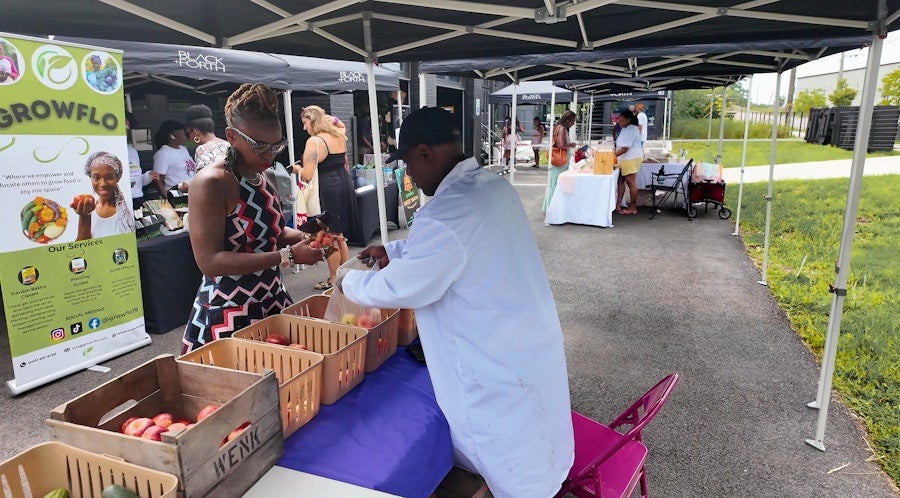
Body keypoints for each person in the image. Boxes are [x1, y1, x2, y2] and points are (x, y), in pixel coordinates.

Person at [337, 107, 574, 498]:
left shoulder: (447, 213)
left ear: (426, 153)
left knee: (506, 465)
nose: (408, 174)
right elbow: (450, 250)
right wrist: (394, 251)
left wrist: (350, 281)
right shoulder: (490, 186)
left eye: (409, 163)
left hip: (493, 363)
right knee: (536, 442)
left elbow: (403, 288)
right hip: (525, 341)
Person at [181, 83, 327, 353]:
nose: (269, 155)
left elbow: (276, 234)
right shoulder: (212, 182)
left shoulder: (266, 176)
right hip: (227, 312)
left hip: (273, 300)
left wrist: (310, 236)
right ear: (231, 136)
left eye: (276, 146)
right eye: (259, 146)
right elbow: (209, 262)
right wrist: (288, 257)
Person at [298, 105, 353, 291]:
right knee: (339, 236)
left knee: (328, 236)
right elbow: (340, 122)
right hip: (343, 183)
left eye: (305, 123)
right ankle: (344, 275)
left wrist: (296, 168)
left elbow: (307, 173)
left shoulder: (314, 141)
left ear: (313, 121)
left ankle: (332, 278)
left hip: (327, 189)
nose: (304, 128)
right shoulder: (338, 135)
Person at [74, 152, 135, 240]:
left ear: (117, 178)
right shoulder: (85, 210)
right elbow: (81, 249)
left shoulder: (129, 210)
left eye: (109, 177)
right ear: (90, 177)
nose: (102, 184)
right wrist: (85, 217)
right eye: (96, 177)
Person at [542, 110, 577, 212]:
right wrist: (571, 145)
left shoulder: (558, 127)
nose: (573, 123)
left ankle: (552, 206)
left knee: (554, 183)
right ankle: (554, 207)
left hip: (560, 161)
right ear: (568, 120)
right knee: (558, 183)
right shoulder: (562, 129)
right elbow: (561, 145)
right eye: (573, 121)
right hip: (560, 161)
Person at [152, 120, 196, 196]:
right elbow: (157, 180)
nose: (185, 135)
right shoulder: (163, 153)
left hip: (192, 194)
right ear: (172, 136)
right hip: (177, 197)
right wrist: (167, 197)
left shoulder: (184, 149)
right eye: (182, 133)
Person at [125, 113, 158, 209]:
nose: (126, 130)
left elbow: (138, 180)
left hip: (137, 198)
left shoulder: (132, 151)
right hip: (120, 201)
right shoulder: (108, 151)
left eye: (127, 128)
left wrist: (149, 176)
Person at [614, 109, 643, 215]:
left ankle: (633, 207)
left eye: (621, 120)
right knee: (620, 181)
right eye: (619, 120)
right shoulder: (625, 128)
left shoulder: (632, 129)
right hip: (624, 158)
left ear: (628, 120)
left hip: (630, 158)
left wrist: (612, 155)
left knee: (630, 182)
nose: (619, 122)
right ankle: (617, 205)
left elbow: (625, 148)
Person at [185, 104, 229, 170]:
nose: (189, 137)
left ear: (196, 132)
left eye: (188, 133)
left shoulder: (202, 149)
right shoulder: (228, 144)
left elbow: (204, 179)